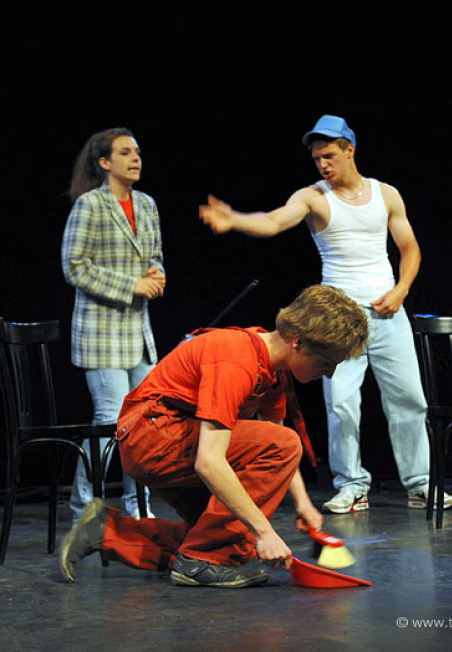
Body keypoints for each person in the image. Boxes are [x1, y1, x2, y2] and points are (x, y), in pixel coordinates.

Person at [198, 115, 452, 513]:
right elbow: (273, 221)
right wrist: (234, 219)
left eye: (330, 155)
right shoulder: (313, 197)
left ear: (350, 149)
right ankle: (352, 484)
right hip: (337, 319)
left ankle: (420, 483)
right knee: (341, 403)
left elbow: (410, 248)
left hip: (387, 312)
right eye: (317, 158)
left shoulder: (385, 194)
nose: (323, 164)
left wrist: (401, 290)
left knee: (409, 398)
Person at [60, 284, 368, 587]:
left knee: (228, 541)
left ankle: (106, 532)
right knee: (233, 533)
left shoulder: (273, 371)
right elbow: (210, 461)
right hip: (152, 440)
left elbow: (276, 435)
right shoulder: (236, 358)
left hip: (171, 440)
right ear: (298, 342)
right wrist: (265, 531)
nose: (328, 374)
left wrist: (303, 503)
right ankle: (198, 561)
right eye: (326, 363)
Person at [62, 127, 163, 522]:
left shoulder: (147, 205)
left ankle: (140, 508)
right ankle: (84, 508)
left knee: (146, 422)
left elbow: (154, 254)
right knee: (109, 421)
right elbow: (74, 267)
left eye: (137, 151)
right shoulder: (89, 205)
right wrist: (131, 284)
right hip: (101, 333)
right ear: (105, 162)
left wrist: (156, 274)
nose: (135, 158)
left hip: (138, 333)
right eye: (125, 152)